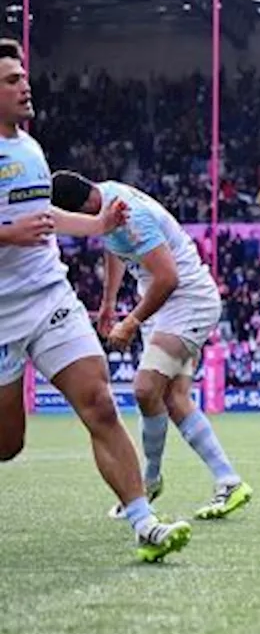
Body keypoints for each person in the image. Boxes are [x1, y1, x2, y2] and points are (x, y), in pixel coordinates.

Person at [0, 39, 191, 561]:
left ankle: (144, 523)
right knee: (7, 444)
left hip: (49, 297)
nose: (25, 85)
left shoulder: (31, 149)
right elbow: (21, 227)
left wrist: (97, 225)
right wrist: (8, 235)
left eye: (23, 76)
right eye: (12, 80)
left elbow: (45, 218)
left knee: (100, 403)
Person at [51, 171, 254, 522]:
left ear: (84, 207)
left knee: (146, 390)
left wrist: (130, 322)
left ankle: (149, 481)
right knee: (173, 397)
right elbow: (114, 247)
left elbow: (168, 278)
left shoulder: (130, 215)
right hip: (167, 305)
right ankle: (228, 480)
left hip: (186, 300)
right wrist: (110, 301)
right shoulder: (108, 200)